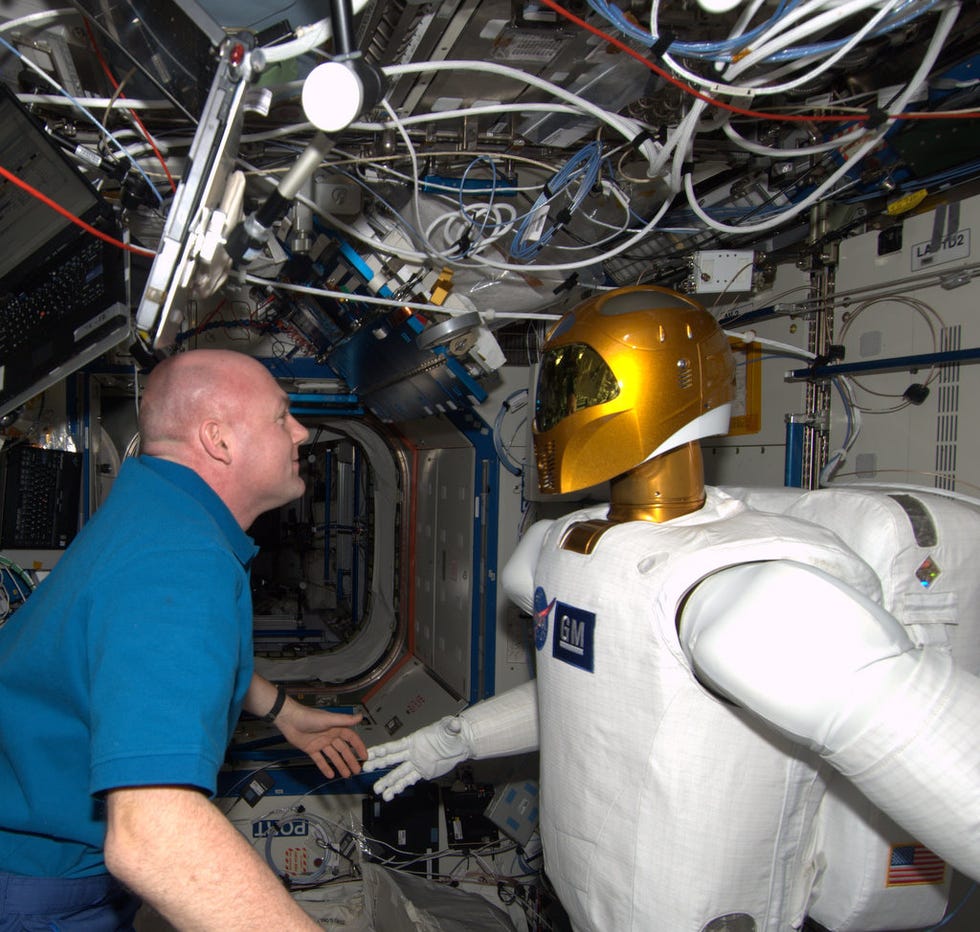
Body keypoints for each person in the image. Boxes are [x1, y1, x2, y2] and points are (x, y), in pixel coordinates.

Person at [363, 286, 980, 931]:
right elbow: (595, 704)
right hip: (582, 899)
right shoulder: (565, 551)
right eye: (560, 388)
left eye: (583, 387)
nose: (560, 411)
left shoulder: (737, 589)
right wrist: (457, 739)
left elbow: (935, 754)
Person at [0, 348, 367, 930]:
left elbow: (140, 660)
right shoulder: (182, 562)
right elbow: (153, 837)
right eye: (281, 416)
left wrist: (282, 710)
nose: (300, 430)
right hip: (37, 885)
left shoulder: (158, 508)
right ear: (219, 440)